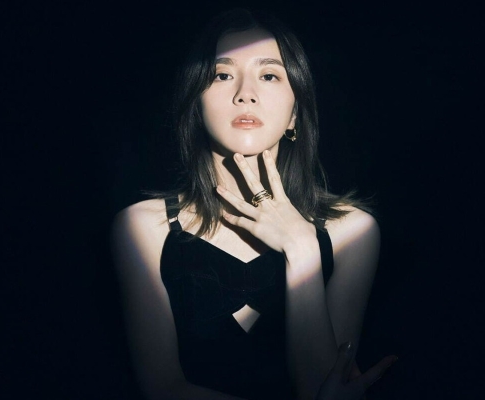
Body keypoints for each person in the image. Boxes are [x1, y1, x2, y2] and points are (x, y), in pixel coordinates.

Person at [111, 8, 397, 400]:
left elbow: (322, 387)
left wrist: (301, 247)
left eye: (269, 75)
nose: (245, 93)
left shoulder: (353, 231)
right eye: (222, 75)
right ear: (196, 105)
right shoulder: (143, 228)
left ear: (295, 114)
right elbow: (163, 390)